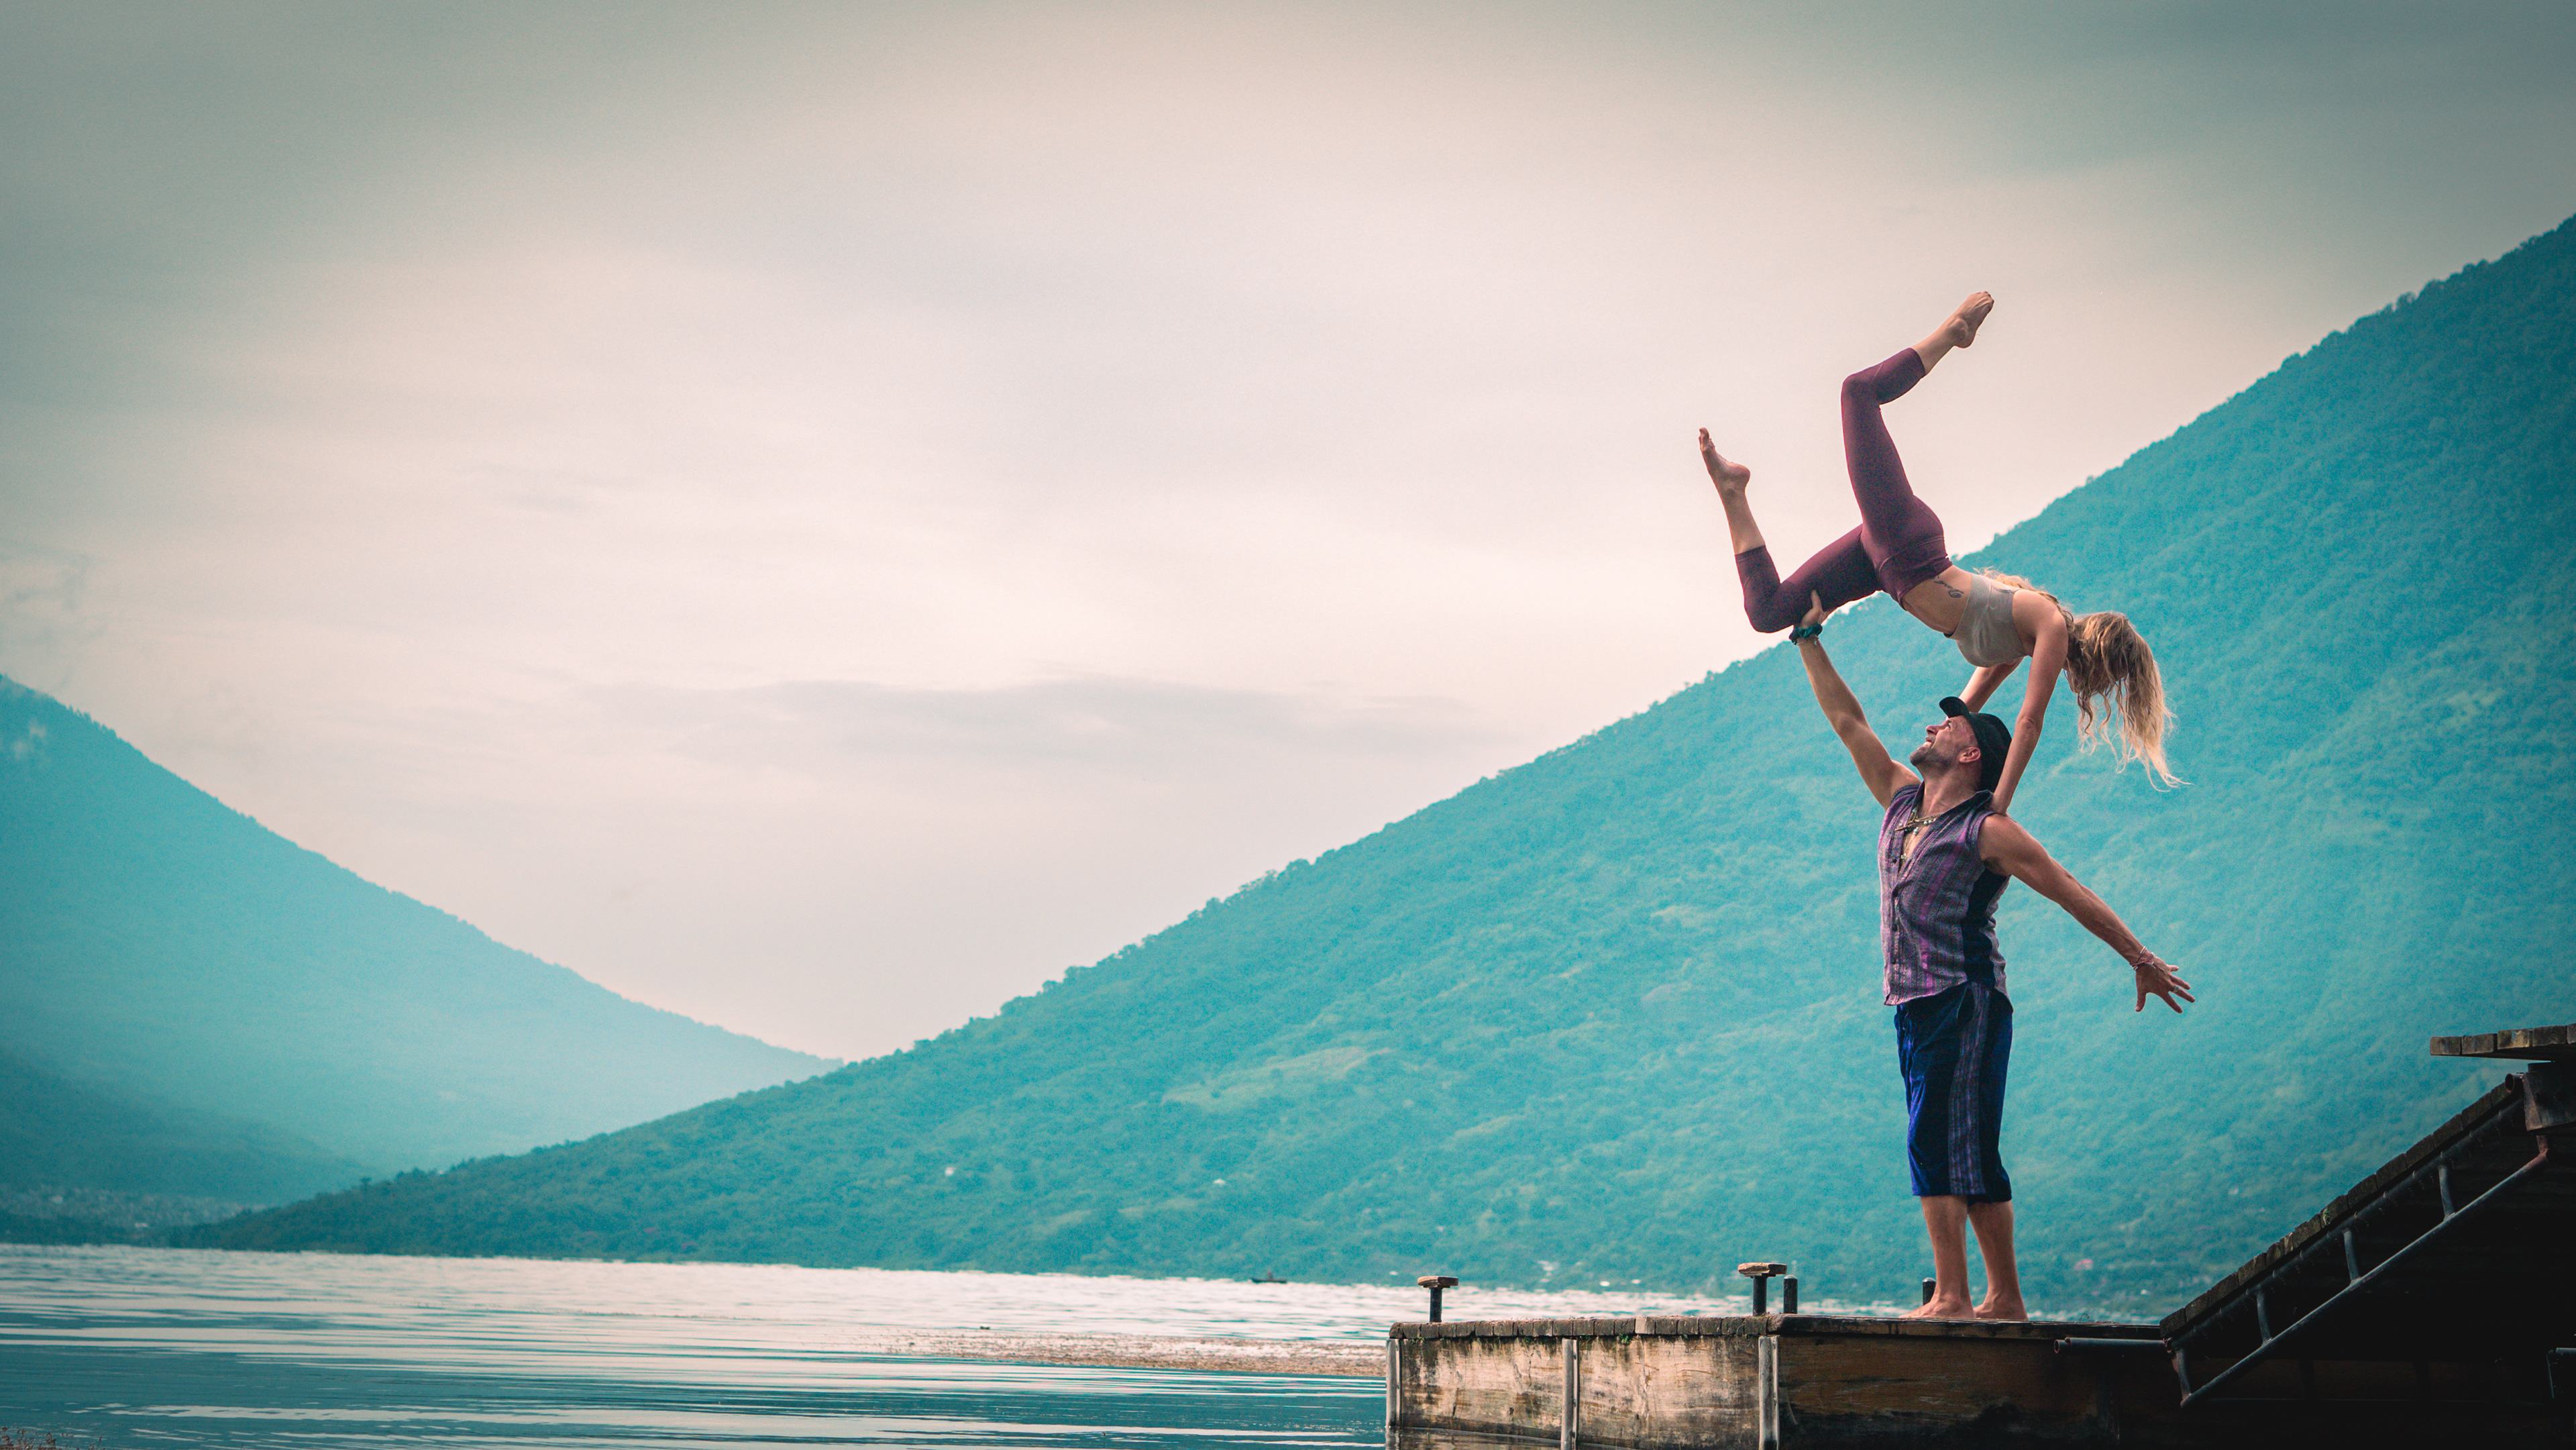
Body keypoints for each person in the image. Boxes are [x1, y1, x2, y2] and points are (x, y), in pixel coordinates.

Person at [1791, 591, 2194, 1320]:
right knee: (1952, 1149)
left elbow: (2066, 887)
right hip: (1913, 1004)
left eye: (1946, 725)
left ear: (1970, 751)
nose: (1931, 725)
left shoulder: (1988, 830)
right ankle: (1999, 1298)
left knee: (1944, 1143)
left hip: (1965, 999)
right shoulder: (1900, 803)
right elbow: (1848, 722)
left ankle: (1959, 1296)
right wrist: (1809, 639)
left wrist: (2138, 955)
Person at [1699, 293, 2174, 811]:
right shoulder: (2050, 628)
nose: (2100, 690)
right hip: (1907, 548)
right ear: (2104, 657)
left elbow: (1965, 711)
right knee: (1857, 392)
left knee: (1767, 613)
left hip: (1885, 569)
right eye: (2113, 680)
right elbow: (2029, 724)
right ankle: (1952, 335)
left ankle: (1733, 492)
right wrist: (1999, 805)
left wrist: (1941, 785)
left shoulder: (2023, 646)